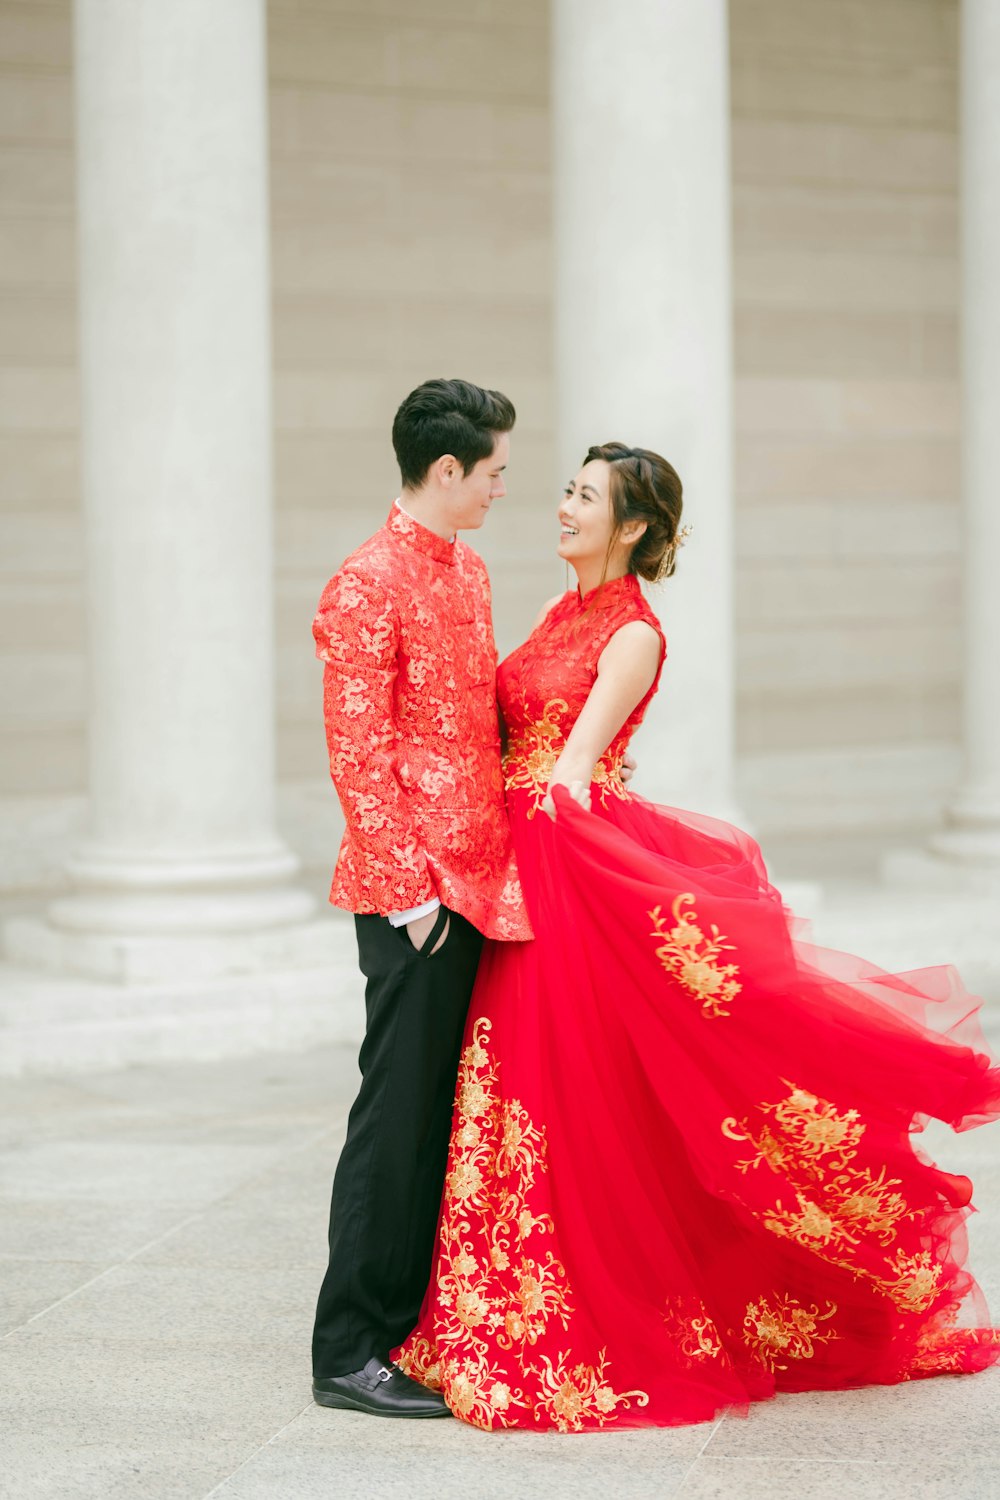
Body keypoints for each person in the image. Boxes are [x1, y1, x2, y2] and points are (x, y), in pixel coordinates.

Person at [395, 441, 1000, 1432]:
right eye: (566, 490)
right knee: (524, 1085)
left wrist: (509, 850)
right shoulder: (563, 611)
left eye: (584, 498)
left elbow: (571, 772)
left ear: (630, 527)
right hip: (523, 859)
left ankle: (561, 1322)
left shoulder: (630, 630)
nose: (562, 507)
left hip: (560, 864)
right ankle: (486, 1304)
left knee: (557, 1085)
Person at [309, 378, 532, 1418]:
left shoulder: (471, 570)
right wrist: (408, 897)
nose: (500, 487)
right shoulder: (363, 583)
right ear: (447, 470)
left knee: (443, 1119)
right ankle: (348, 1350)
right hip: (417, 901)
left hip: (482, 887)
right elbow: (359, 753)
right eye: (493, 471)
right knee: (393, 1120)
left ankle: (405, 1329)